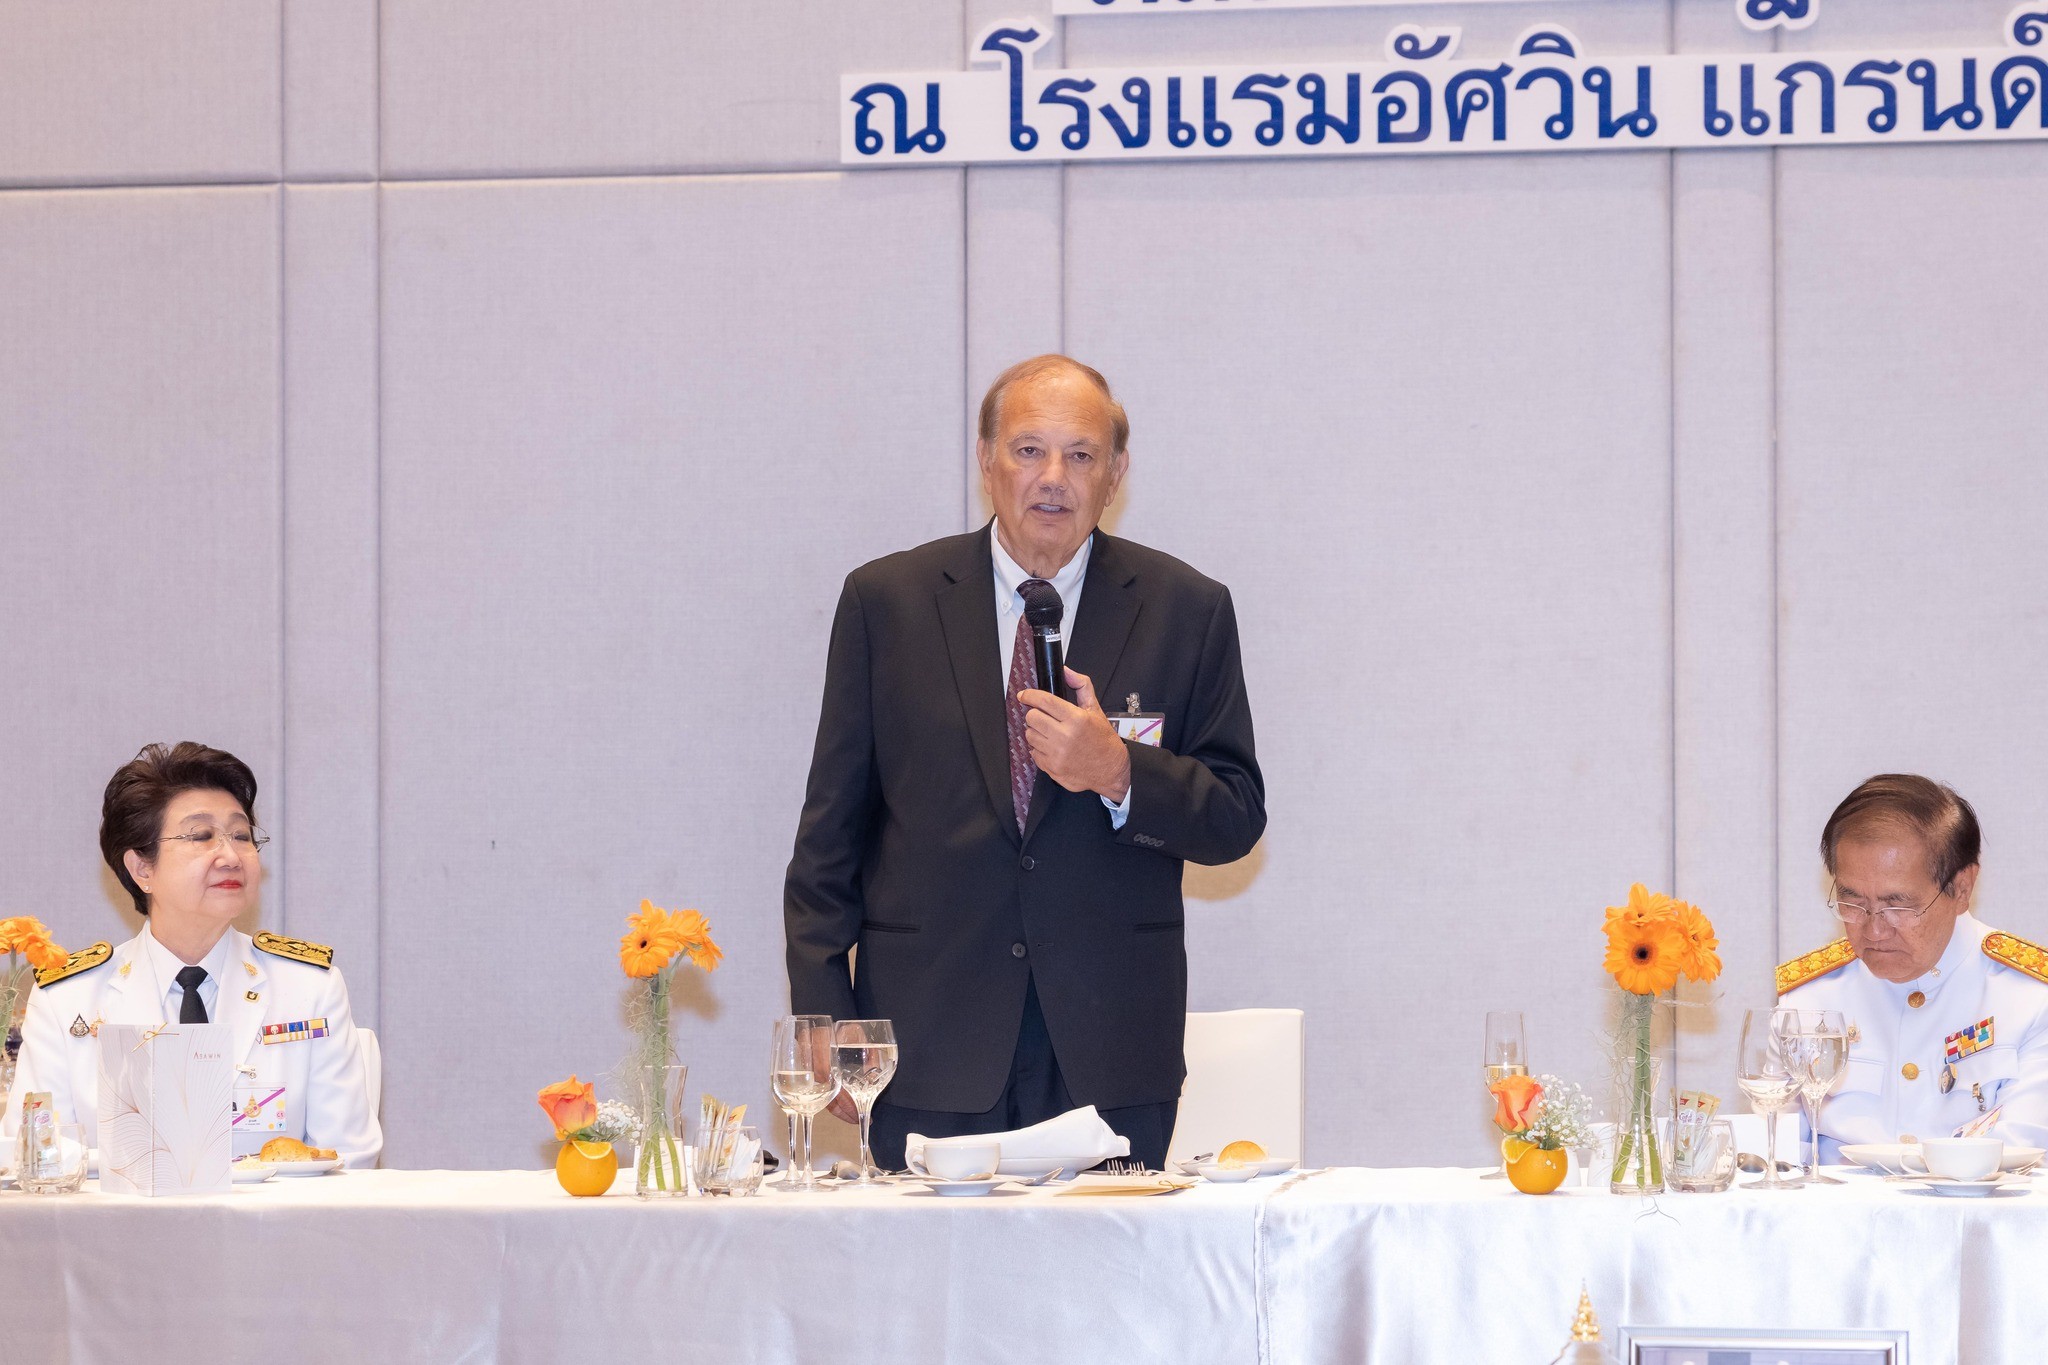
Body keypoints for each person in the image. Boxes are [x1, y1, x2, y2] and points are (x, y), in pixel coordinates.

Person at [784, 355, 1265, 1171]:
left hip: (1111, 1049)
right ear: (986, 460)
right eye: (1028, 449)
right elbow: (830, 835)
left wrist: (1119, 771)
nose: (1053, 478)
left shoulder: (1187, 609)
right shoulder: (887, 603)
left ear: (1115, 473)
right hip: (927, 1040)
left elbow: (1235, 815)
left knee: (1108, 1261)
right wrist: (823, 1011)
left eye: (1080, 455)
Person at [2, 742, 381, 1167]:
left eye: (241, 836)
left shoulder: (309, 988)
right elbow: (34, 1158)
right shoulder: (66, 999)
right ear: (142, 868)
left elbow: (349, 1160)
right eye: (201, 836)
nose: (231, 856)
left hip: (274, 1212)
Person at [1779, 773, 2048, 1158]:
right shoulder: (1806, 1003)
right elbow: (1779, 1158)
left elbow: (2024, 1153)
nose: (1874, 930)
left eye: (1898, 905)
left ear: (1961, 888)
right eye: (1853, 903)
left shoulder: (2031, 1002)